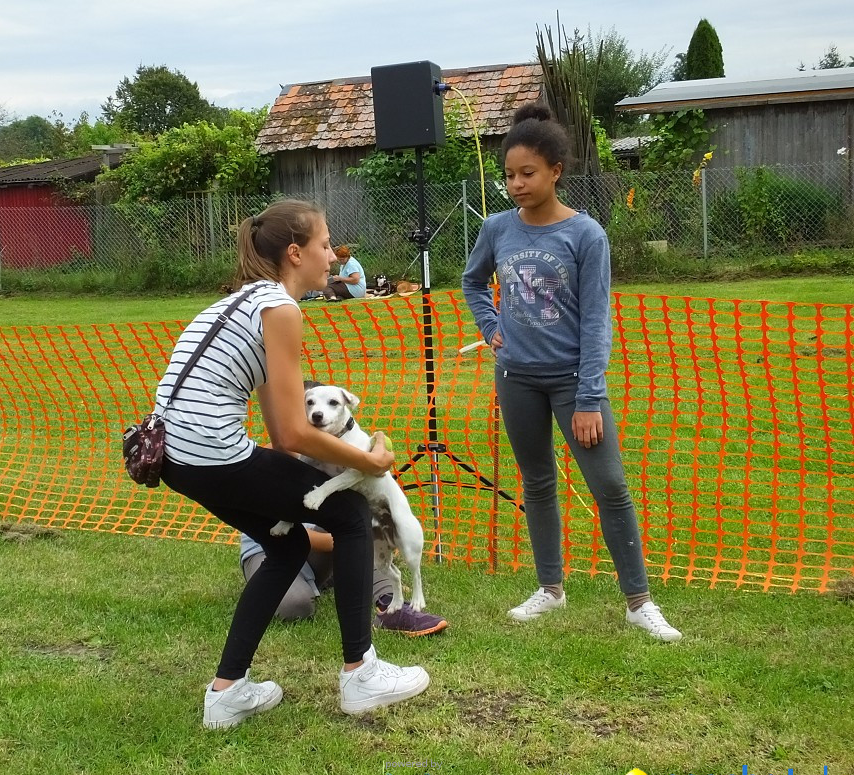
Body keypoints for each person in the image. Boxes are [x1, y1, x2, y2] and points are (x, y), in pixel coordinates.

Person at [154, 199, 430, 729]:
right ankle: (361, 675)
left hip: (174, 456)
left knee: (286, 547)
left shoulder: (244, 302)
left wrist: (311, 471)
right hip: (210, 451)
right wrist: (370, 460)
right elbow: (293, 432)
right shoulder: (281, 308)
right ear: (296, 252)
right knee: (350, 515)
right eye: (326, 245)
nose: (334, 257)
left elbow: (281, 434)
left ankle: (226, 693)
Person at [461, 103, 682, 642]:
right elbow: (472, 281)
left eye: (527, 174)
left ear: (556, 171)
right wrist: (492, 328)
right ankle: (550, 589)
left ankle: (638, 602)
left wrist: (588, 397)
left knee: (610, 487)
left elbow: (595, 320)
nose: (515, 184)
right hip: (516, 379)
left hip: (571, 383)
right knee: (537, 484)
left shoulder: (587, 236)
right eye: (510, 174)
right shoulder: (496, 228)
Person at [239, 525, 449, 636]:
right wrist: (347, 538)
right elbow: (278, 532)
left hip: (318, 549)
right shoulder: (264, 460)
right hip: (265, 551)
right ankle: (345, 570)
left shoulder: (328, 454)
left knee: (356, 509)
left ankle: (390, 604)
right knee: (295, 607)